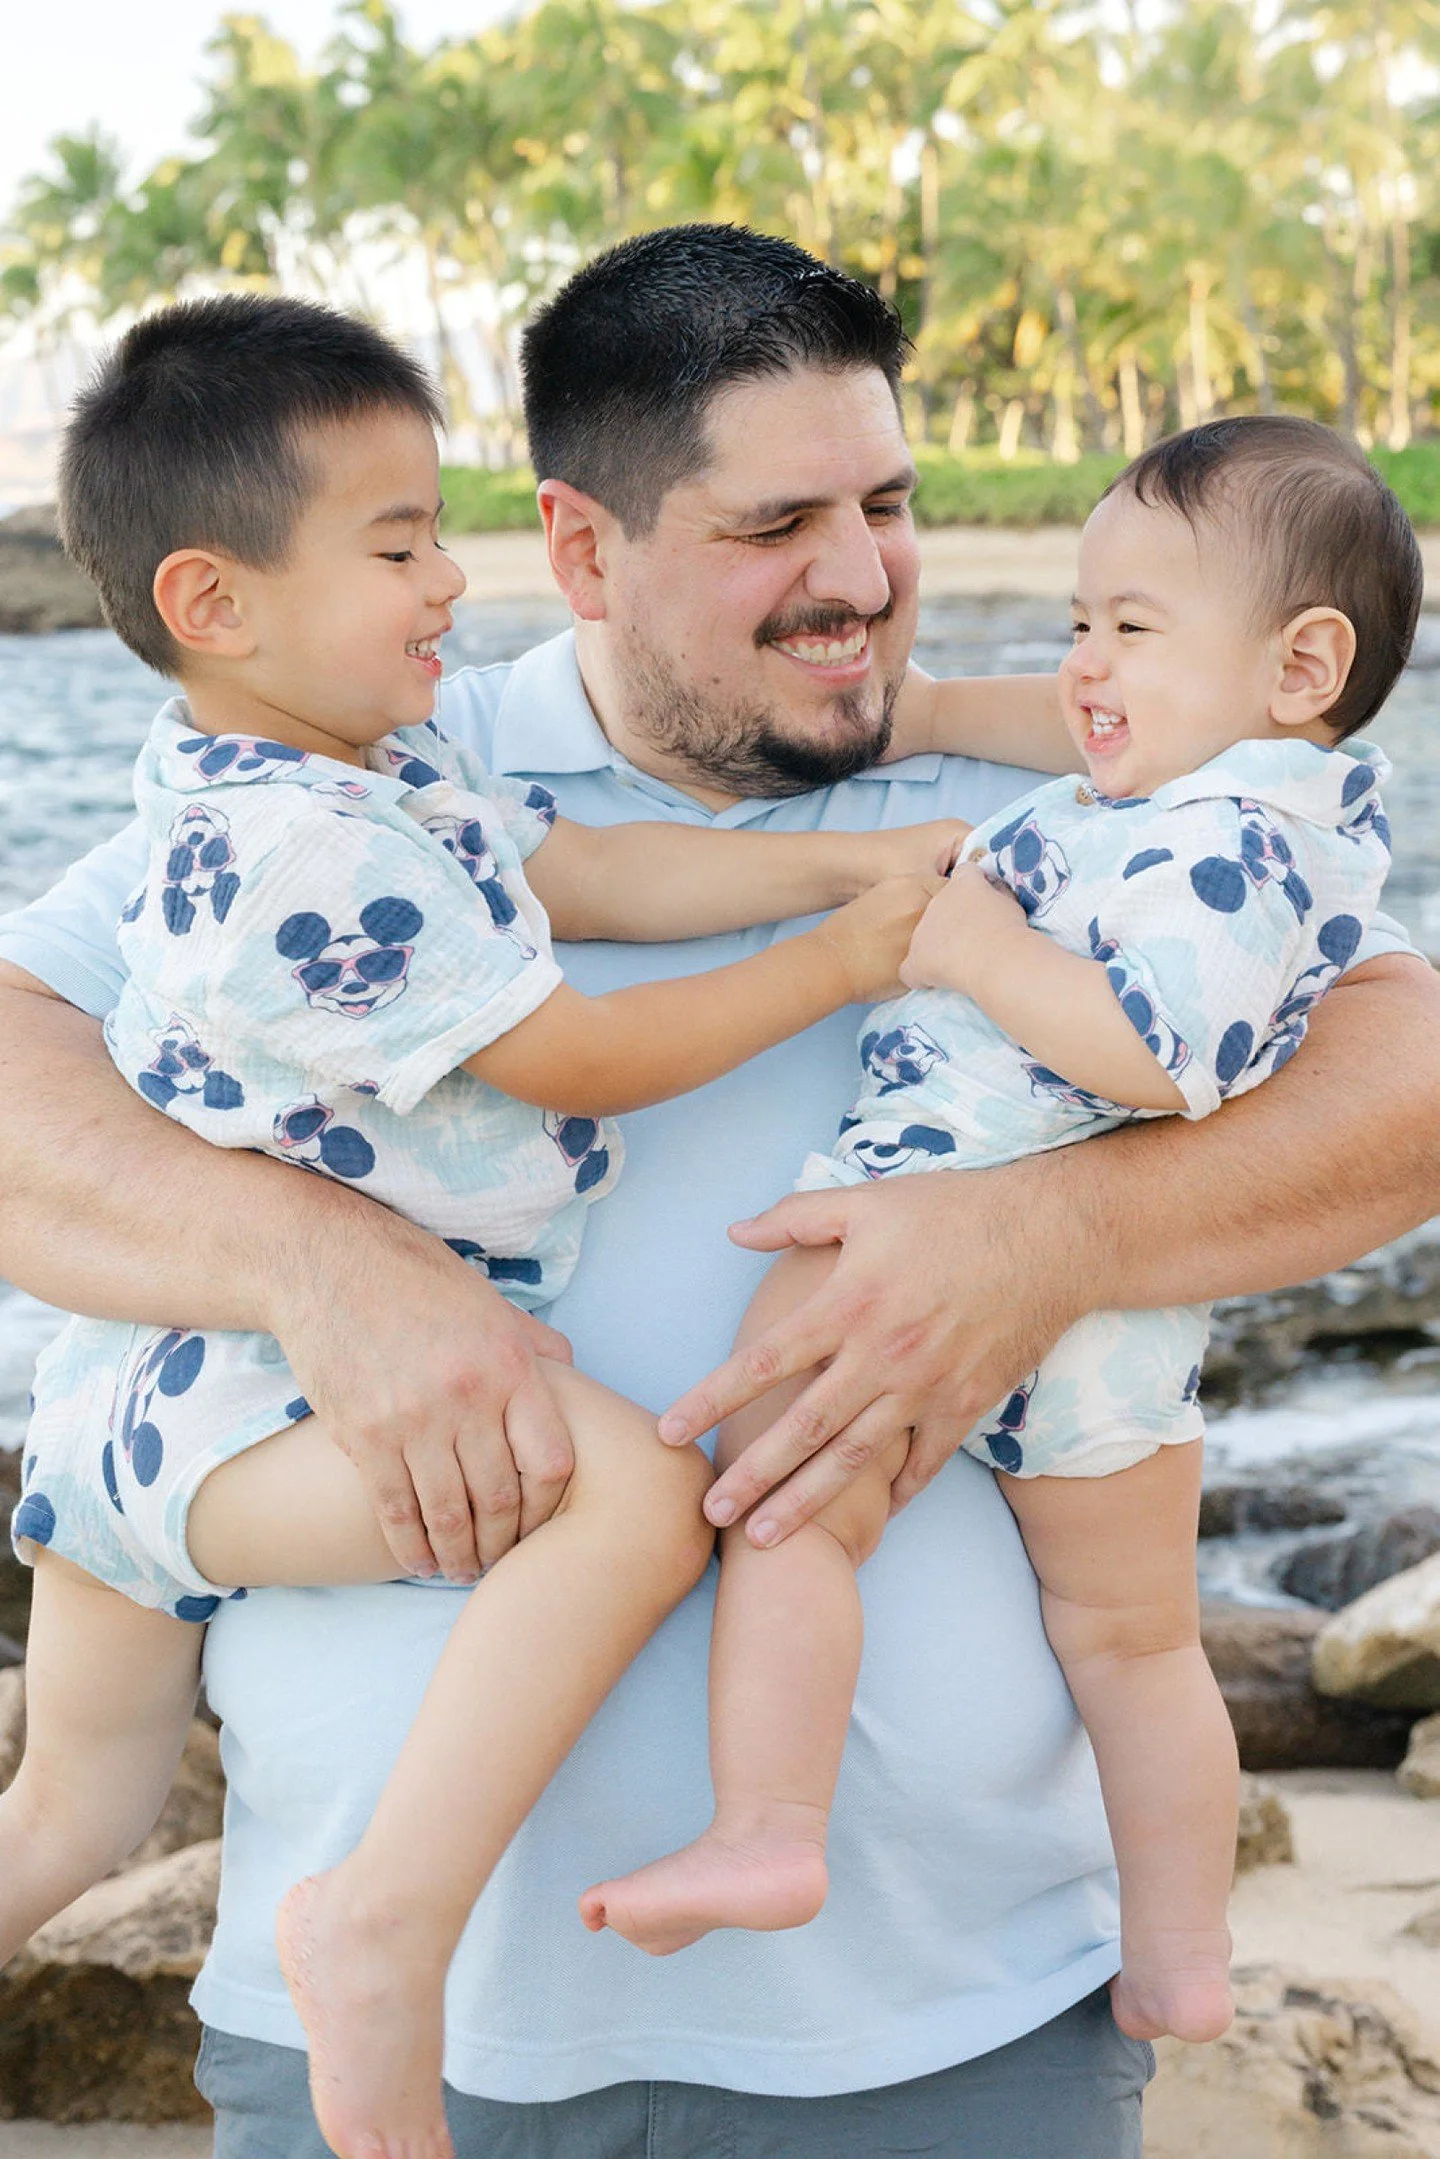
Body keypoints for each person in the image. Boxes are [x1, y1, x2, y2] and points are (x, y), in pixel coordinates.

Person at [0, 227, 1437, 2159]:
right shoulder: (374, 780)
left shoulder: (1105, 774)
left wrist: (1049, 1239)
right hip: (398, 2056)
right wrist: (314, 1263)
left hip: (951, 2031)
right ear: (584, 548)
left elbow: (1404, 1087)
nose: (860, 575)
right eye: (778, 523)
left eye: (890, 502)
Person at [1, 291, 969, 2159]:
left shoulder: (368, 762)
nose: (449, 578)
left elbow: (583, 873)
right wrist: (836, 959)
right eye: (397, 543)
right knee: (628, 1495)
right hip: (230, 1401)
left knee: (59, 1816)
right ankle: (386, 1924)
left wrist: (846, 858)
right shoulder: (303, 859)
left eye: (439, 527)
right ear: (216, 604)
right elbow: (579, 1053)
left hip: (133, 1401)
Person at [579, 417, 1417, 2058]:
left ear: (1302, 661)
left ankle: (771, 1820)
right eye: (1079, 620)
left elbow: (1155, 1054)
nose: (1083, 664)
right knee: (1136, 1635)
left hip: (984, 1192)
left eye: (1128, 626)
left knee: (784, 1501)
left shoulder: (1228, 837)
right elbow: (1062, 732)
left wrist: (968, 947)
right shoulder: (1232, 792)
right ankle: (1182, 1953)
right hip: (1119, 1333)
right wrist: (951, 729)